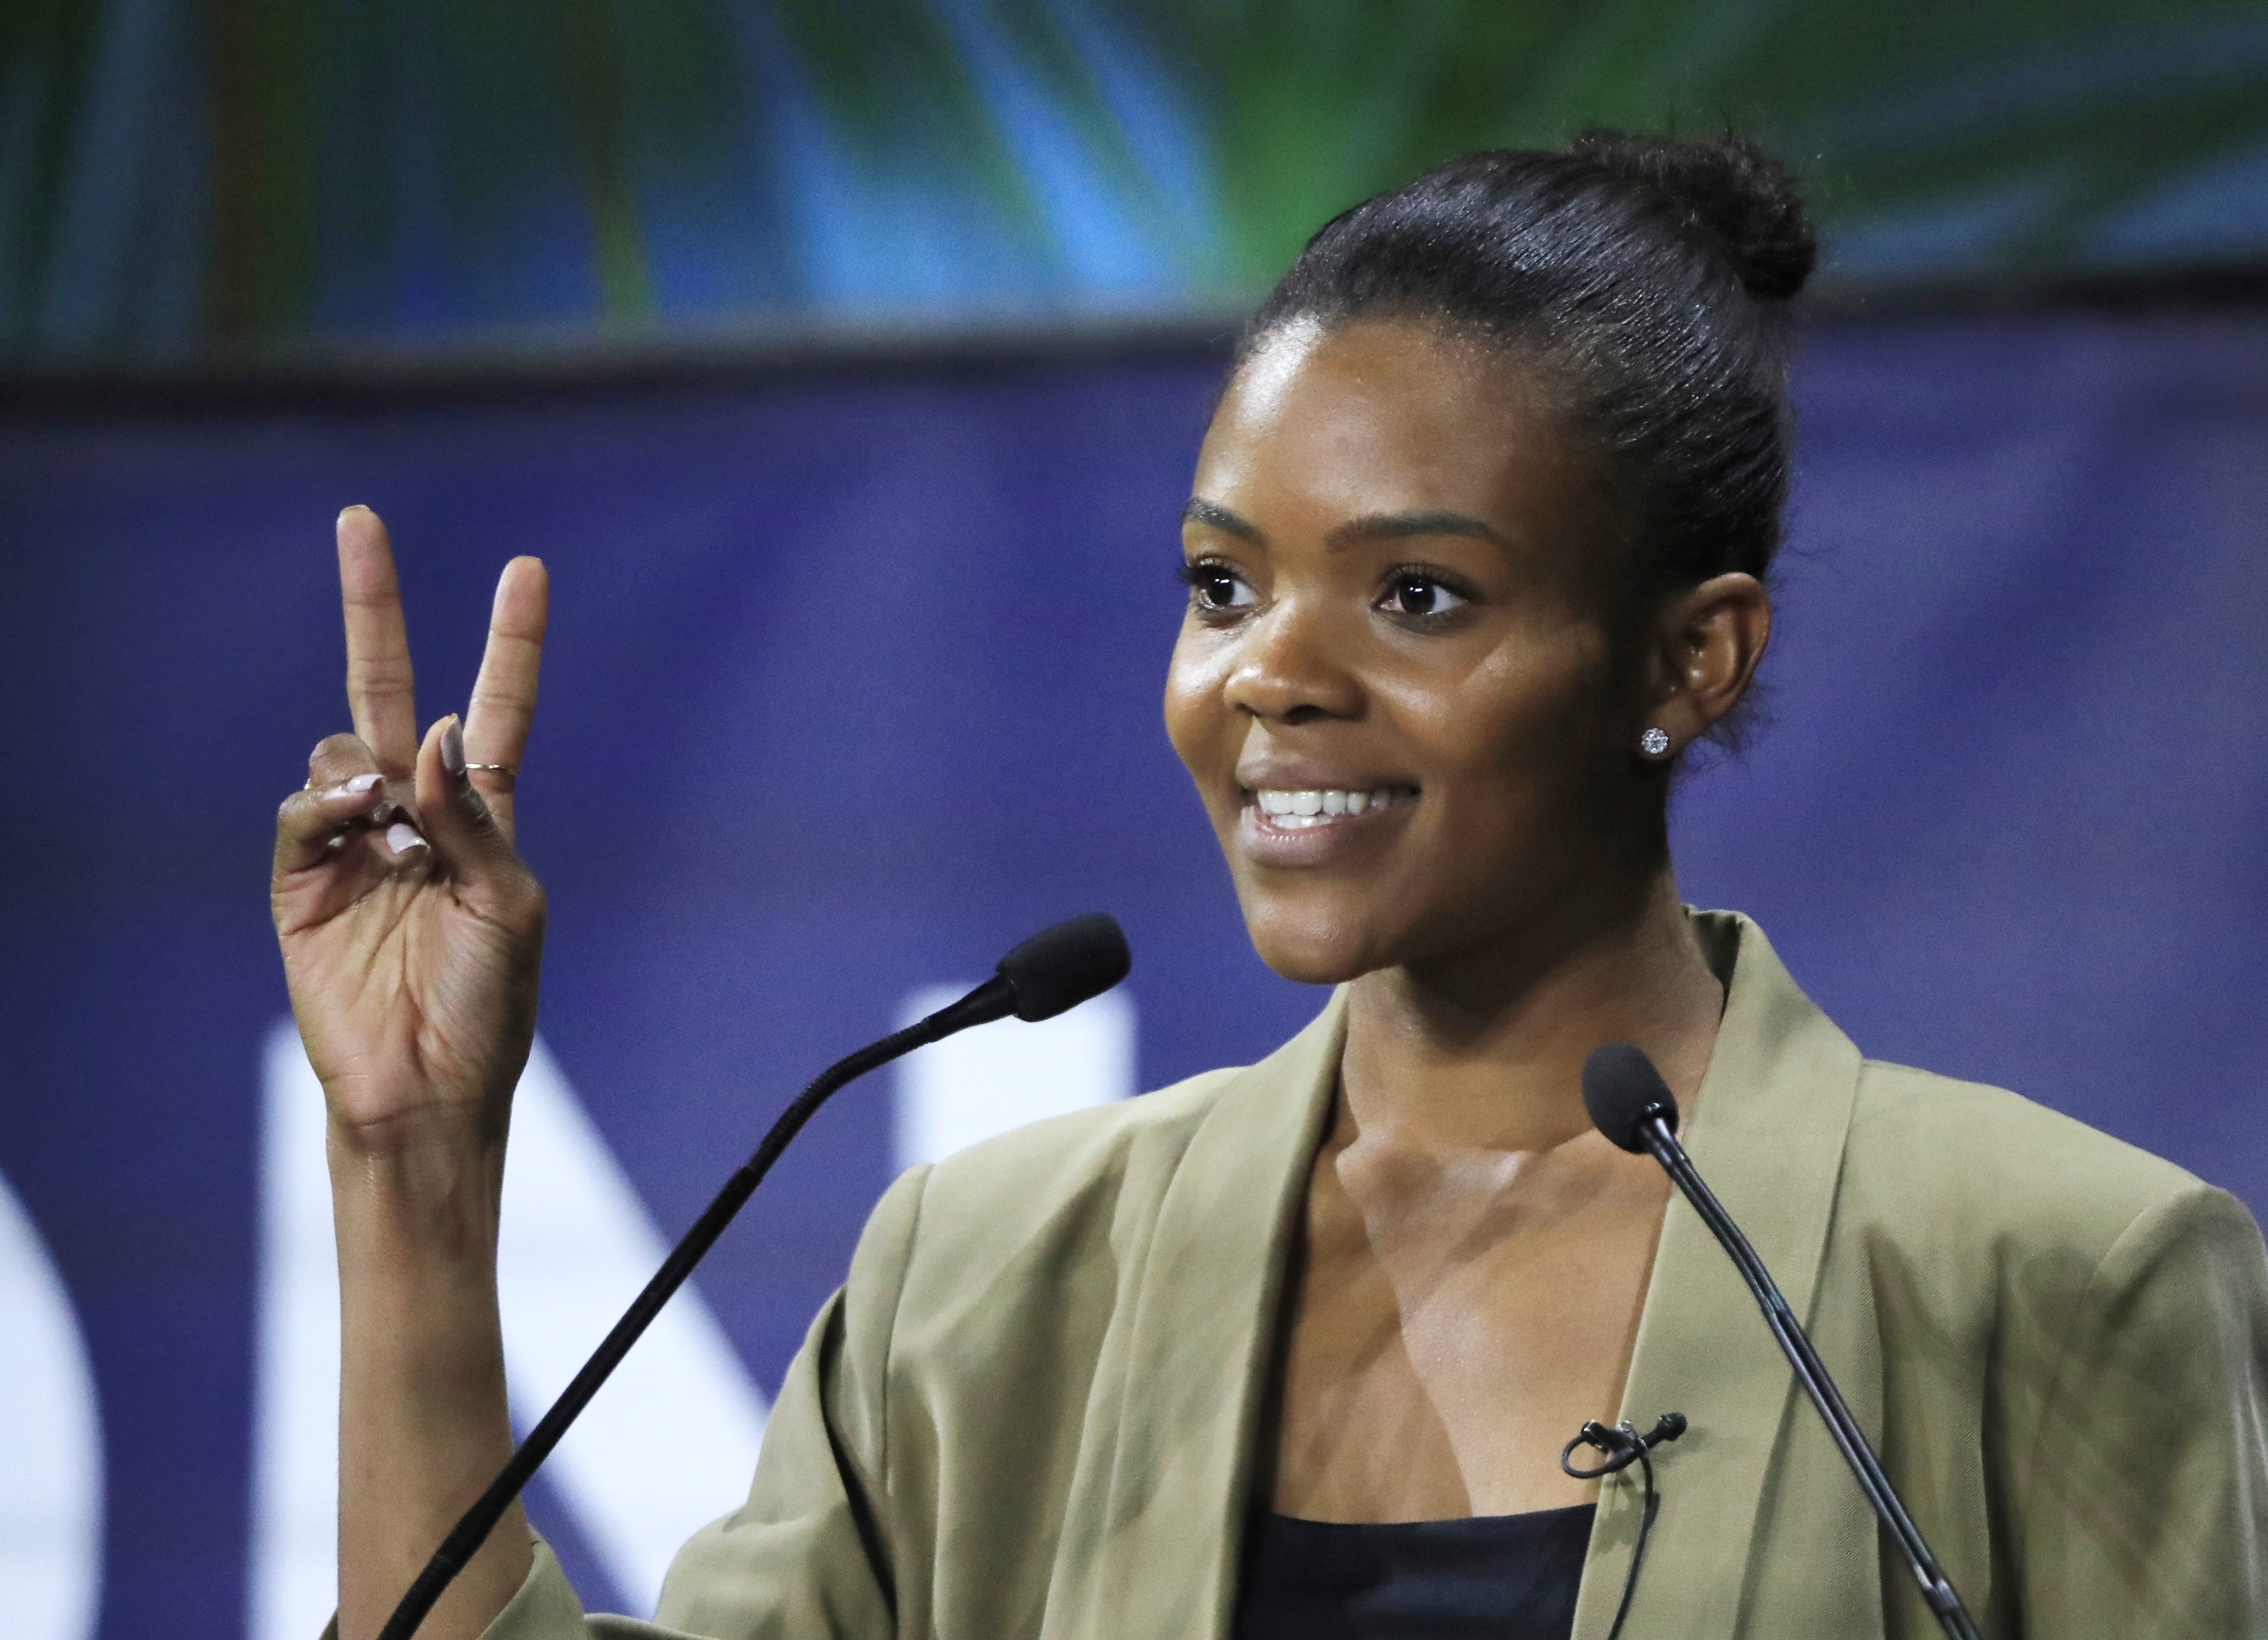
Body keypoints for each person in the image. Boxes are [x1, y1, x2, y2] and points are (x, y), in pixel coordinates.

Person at [272, 132, 2268, 1640]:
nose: (1273, 676)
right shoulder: (992, 1280)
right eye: (1224, 583)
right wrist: (411, 1159)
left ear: (1690, 658)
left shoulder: (2050, 1272)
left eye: (1418, 594)